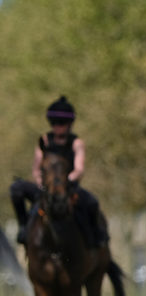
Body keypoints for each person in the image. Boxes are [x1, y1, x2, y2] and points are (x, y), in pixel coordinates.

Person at [9, 95, 107, 246]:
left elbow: (79, 169)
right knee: (16, 189)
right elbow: (36, 169)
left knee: (92, 203)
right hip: (46, 187)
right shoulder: (45, 140)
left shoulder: (76, 143)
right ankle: (23, 227)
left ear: (69, 124)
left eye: (62, 123)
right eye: (55, 123)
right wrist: (41, 182)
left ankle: (96, 241)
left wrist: (65, 181)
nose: (58, 126)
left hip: (68, 187)